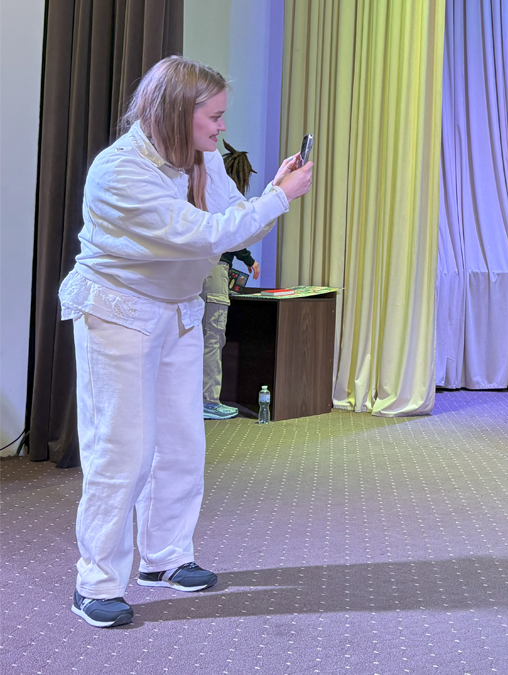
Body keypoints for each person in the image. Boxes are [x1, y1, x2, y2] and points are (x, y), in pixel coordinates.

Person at [59, 56, 313, 628]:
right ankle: (95, 583)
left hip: (177, 311)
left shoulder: (201, 157)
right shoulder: (119, 171)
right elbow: (201, 235)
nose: (222, 127)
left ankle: (165, 559)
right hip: (118, 312)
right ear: (178, 113)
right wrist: (279, 198)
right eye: (214, 117)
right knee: (121, 451)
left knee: (181, 444)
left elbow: (234, 225)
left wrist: (274, 192)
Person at [201, 249, 258, 420]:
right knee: (212, 338)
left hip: (188, 267)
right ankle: (208, 402)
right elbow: (233, 238)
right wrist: (249, 260)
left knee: (191, 336)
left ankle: (189, 400)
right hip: (214, 267)